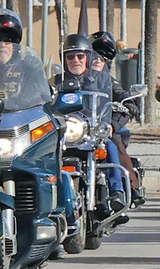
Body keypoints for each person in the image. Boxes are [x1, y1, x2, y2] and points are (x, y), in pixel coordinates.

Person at [56, 34, 141, 207]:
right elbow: (42, 99)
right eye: (70, 56)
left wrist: (122, 112)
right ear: (64, 59)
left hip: (93, 131)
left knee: (109, 145)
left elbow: (120, 96)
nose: (75, 60)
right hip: (67, 132)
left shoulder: (102, 78)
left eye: (80, 56)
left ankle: (118, 191)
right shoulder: (57, 81)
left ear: (87, 57)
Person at [0, 7, 50, 108]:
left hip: (20, 120)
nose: (2, 45)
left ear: (14, 47)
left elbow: (39, 102)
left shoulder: (27, 70)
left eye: (8, 40)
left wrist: (36, 75)